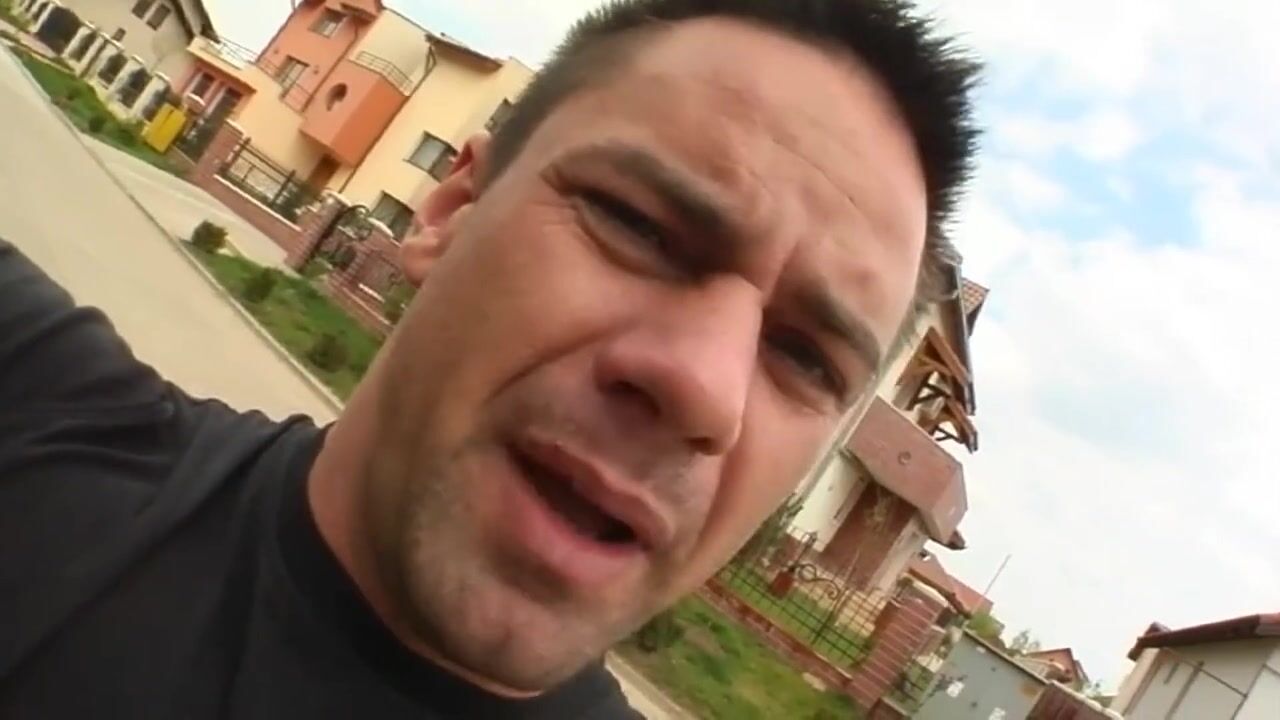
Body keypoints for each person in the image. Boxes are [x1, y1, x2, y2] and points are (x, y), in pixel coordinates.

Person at [0, 0, 980, 717]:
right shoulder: (33, 429)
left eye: (805, 357)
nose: (704, 388)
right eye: (637, 224)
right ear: (451, 211)